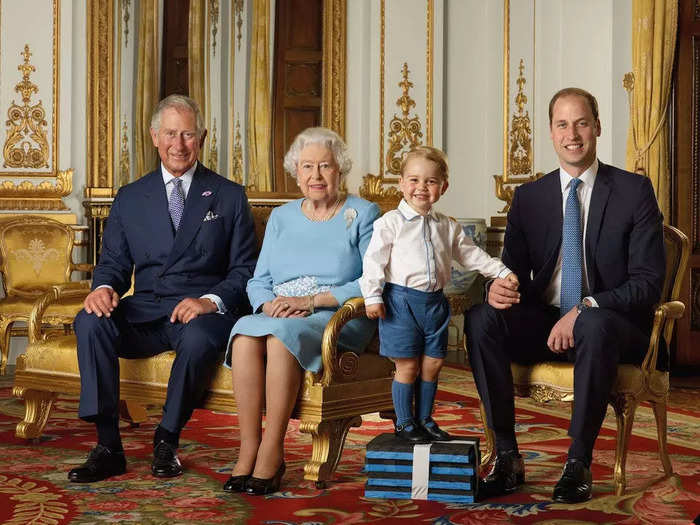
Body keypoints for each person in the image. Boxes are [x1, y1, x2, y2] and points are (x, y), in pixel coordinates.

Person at [464, 87, 665, 503]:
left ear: (597, 127)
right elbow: (512, 273)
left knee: (592, 321)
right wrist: (496, 287)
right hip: (547, 320)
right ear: (551, 133)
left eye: (581, 123)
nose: (572, 133)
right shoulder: (530, 197)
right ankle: (506, 457)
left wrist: (587, 306)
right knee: (481, 317)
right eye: (562, 124)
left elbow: (648, 283)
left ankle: (578, 463)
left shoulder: (633, 191)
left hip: (614, 324)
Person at [69, 95, 257, 483]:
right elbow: (114, 265)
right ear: (154, 136)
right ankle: (108, 446)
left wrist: (209, 301)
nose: (179, 144)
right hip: (148, 308)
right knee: (90, 320)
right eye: (171, 133)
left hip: (201, 313)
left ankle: (166, 440)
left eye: (188, 134)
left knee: (201, 335)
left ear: (201, 137)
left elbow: (245, 271)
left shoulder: (229, 195)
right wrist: (103, 288)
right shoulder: (131, 196)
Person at [223, 127, 380, 496]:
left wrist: (312, 302)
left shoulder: (362, 213)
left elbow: (373, 280)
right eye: (307, 167)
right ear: (296, 172)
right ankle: (249, 447)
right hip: (280, 312)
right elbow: (257, 279)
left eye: (325, 166)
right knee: (245, 333)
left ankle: (272, 449)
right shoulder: (281, 217)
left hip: (335, 317)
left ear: (340, 170)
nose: (316, 176)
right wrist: (267, 304)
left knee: (281, 340)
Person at [359, 146, 516, 443]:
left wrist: (501, 271)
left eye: (430, 181)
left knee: (433, 363)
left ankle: (425, 418)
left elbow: (472, 256)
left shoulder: (446, 226)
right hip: (400, 303)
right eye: (414, 180)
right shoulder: (389, 223)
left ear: (443, 187)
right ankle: (404, 423)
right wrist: (373, 296)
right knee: (407, 365)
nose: (421, 188)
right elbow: (373, 262)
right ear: (402, 184)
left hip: (435, 304)